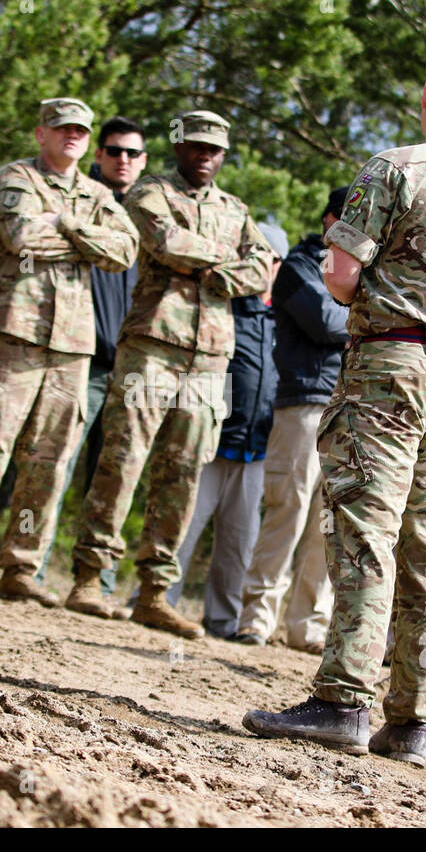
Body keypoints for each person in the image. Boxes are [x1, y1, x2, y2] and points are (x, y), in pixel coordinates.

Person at [243, 48, 426, 765]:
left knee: (365, 532)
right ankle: (414, 721)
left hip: (390, 369)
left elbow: (339, 278)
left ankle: (343, 700)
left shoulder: (396, 166)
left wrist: (387, 292)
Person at [64, 109, 274, 638]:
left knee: (183, 472)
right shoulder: (150, 192)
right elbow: (164, 242)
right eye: (195, 146)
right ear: (178, 148)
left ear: (224, 156)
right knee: (123, 459)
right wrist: (224, 262)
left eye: (214, 149)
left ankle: (155, 591)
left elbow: (262, 268)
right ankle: (90, 576)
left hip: (209, 358)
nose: (204, 156)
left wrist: (209, 264)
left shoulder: (235, 208)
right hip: (152, 346)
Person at [0, 98, 138, 603]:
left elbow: (127, 250)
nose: (71, 136)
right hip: (13, 334)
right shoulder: (15, 177)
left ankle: (19, 567)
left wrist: (65, 224)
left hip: (72, 345)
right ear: (41, 133)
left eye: (80, 130)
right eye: (60, 128)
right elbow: (22, 236)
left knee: (49, 459)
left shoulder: (93, 192)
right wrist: (88, 238)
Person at [145, 222, 285, 638]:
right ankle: (158, 604)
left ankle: (223, 622)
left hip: (258, 448)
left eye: (271, 260)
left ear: (278, 264)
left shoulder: (285, 316)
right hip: (212, 440)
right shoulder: (224, 305)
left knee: (239, 544)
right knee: (183, 529)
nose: (263, 267)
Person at [234, 188, 351, 653]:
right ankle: (256, 619)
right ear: (327, 218)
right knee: (288, 507)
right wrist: (364, 315)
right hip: (303, 404)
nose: (352, 228)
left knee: (329, 520)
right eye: (344, 219)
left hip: (348, 407)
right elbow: (323, 321)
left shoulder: (362, 270)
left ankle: (307, 626)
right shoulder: (301, 265)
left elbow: (335, 319)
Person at [37, 115, 147, 599]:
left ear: (144, 161)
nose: (123, 160)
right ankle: (29, 570)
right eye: (114, 151)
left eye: (133, 153)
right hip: (82, 360)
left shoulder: (152, 213)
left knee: (115, 479)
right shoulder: (80, 199)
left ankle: (94, 583)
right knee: (52, 465)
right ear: (99, 155)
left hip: (136, 369)